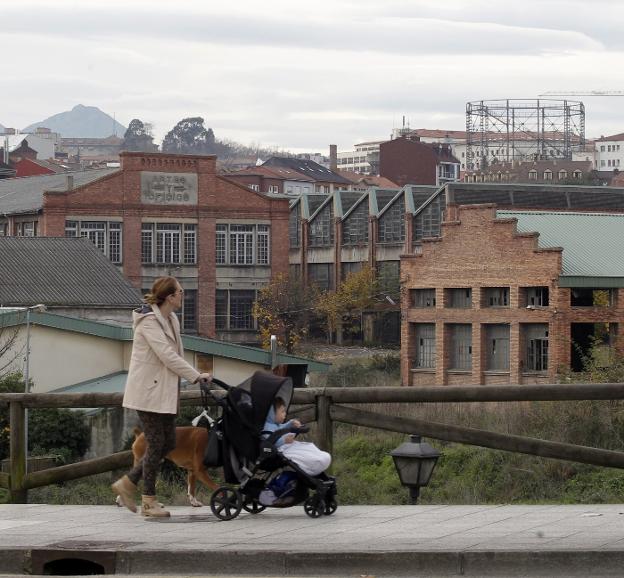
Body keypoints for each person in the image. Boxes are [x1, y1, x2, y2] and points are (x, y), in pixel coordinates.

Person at [112, 276, 212, 518]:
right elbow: (167, 355)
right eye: (180, 292)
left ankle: (127, 484)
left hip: (164, 392)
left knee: (168, 443)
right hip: (148, 393)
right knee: (157, 443)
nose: (183, 295)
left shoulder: (171, 319)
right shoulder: (148, 322)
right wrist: (196, 375)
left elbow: (173, 355)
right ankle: (148, 501)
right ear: (170, 297)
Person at [263, 397, 331, 476]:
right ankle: (314, 464)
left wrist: (291, 423)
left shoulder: (274, 425)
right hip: (281, 450)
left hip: (287, 446)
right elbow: (269, 443)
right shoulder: (267, 428)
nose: (285, 414)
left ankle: (319, 458)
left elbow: (281, 428)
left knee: (307, 447)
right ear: (272, 414)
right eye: (282, 412)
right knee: (301, 454)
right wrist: (284, 440)